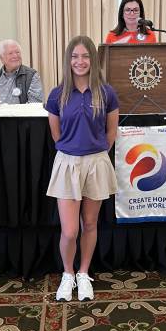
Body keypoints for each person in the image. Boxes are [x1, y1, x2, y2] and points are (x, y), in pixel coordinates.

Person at [46, 35, 119, 302]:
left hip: (96, 162)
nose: (80, 61)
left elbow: (111, 132)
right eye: (75, 56)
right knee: (69, 230)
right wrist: (73, 151)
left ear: (93, 59)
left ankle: (84, 273)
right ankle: (67, 273)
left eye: (85, 56)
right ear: (68, 60)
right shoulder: (58, 94)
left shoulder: (107, 93)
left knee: (89, 224)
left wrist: (95, 153)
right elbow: (56, 134)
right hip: (67, 162)